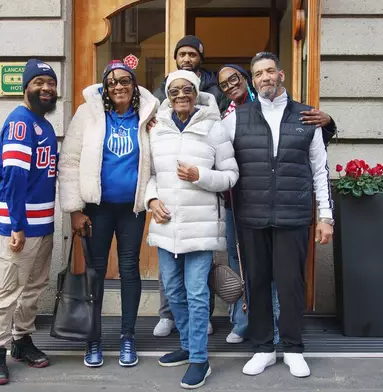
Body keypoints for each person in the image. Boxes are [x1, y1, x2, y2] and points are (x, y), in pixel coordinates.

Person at [221, 52, 334, 378]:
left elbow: (319, 171)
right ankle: (263, 348)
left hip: (293, 216)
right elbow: (210, 149)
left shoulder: (306, 117)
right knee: (255, 284)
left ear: (280, 74)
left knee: (291, 285)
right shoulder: (236, 118)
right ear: (253, 81)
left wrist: (326, 217)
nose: (265, 77)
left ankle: (293, 348)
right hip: (251, 216)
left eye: (270, 71)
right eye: (258, 73)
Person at [58, 55, 159, 368]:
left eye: (125, 80)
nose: (118, 86)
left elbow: (159, 161)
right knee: (96, 272)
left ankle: (128, 336)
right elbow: (70, 161)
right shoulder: (87, 114)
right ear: (104, 87)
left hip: (131, 208)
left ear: (134, 85)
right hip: (96, 209)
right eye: (112, 82)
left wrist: (152, 198)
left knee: (130, 270)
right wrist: (74, 209)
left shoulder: (148, 116)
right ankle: (93, 337)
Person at [145, 70, 238, 389]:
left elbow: (230, 176)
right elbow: (150, 174)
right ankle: (186, 344)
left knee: (197, 293)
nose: (180, 95)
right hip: (167, 224)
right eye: (174, 91)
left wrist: (200, 175)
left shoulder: (214, 127)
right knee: (172, 290)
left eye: (187, 89)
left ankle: (200, 359)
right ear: (167, 96)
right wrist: (151, 198)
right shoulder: (157, 130)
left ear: (197, 93)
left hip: (201, 226)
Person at [0, 59, 59, 386]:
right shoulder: (19, 122)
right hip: (18, 226)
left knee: (32, 289)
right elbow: (13, 177)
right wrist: (16, 225)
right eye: (39, 81)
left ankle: (21, 340)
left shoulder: (44, 123)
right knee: (6, 291)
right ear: (25, 86)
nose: (46, 88)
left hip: (42, 225)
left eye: (51, 83)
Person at [152, 36, 227, 337]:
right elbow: (150, 167)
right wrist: (151, 198)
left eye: (192, 54)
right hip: (170, 206)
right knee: (169, 273)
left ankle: (198, 325)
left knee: (198, 277)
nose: (186, 58)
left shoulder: (215, 93)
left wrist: (200, 174)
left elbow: (226, 165)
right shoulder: (163, 89)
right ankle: (168, 315)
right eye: (181, 54)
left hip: (201, 207)